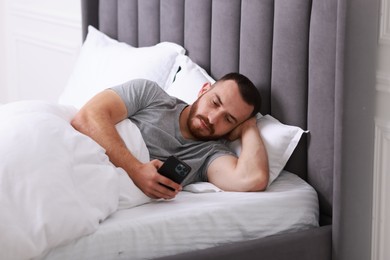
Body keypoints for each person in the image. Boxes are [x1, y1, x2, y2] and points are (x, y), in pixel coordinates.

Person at [71, 73, 269, 200]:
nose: (212, 118)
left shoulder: (210, 154)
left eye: (228, 119)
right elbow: (87, 117)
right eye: (215, 103)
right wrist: (136, 170)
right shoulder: (150, 95)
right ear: (203, 90)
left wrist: (249, 127)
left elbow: (252, 179)